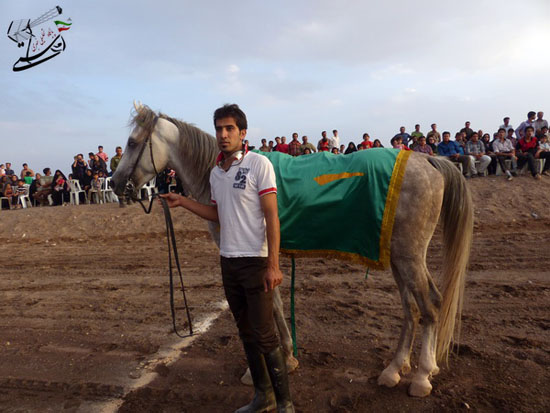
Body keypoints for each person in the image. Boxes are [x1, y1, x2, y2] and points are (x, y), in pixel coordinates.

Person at [160, 104, 294, 412]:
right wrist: (183, 201)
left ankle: (286, 404)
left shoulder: (259, 165)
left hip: (256, 262)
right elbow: (217, 213)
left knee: (264, 334)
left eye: (229, 128)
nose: (223, 134)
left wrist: (273, 265)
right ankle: (263, 397)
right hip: (229, 262)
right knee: (245, 331)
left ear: (243, 133)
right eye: (219, 129)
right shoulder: (216, 174)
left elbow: (272, 216)